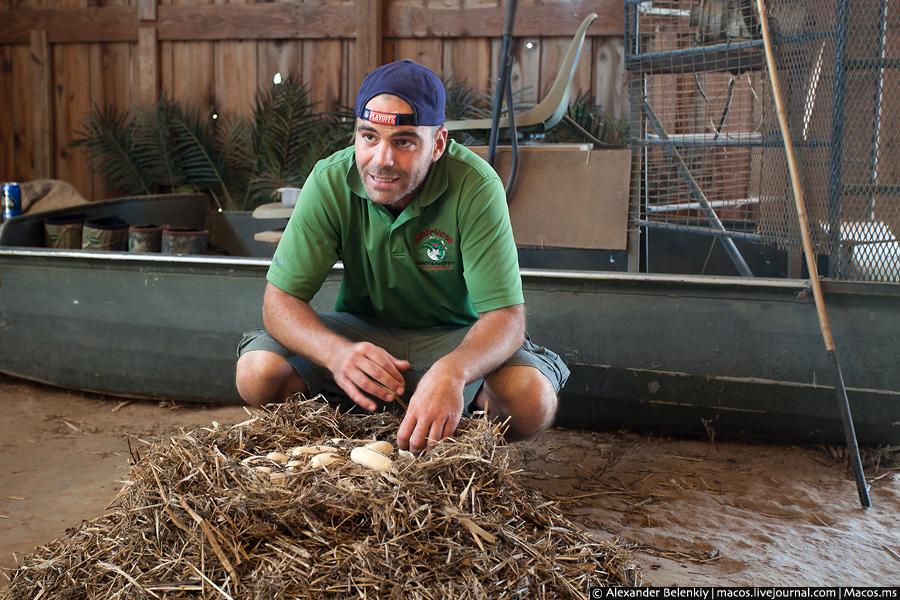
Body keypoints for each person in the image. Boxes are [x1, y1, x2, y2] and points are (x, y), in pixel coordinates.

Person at [235, 59, 569, 454]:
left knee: (531, 401)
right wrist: (336, 353)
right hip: (363, 333)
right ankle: (351, 433)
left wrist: (453, 371)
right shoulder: (329, 179)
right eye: (369, 136)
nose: (382, 159)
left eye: (404, 141)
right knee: (258, 373)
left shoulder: (476, 185)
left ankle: (458, 436)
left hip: (455, 337)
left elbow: (507, 319)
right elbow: (279, 302)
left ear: (438, 143)